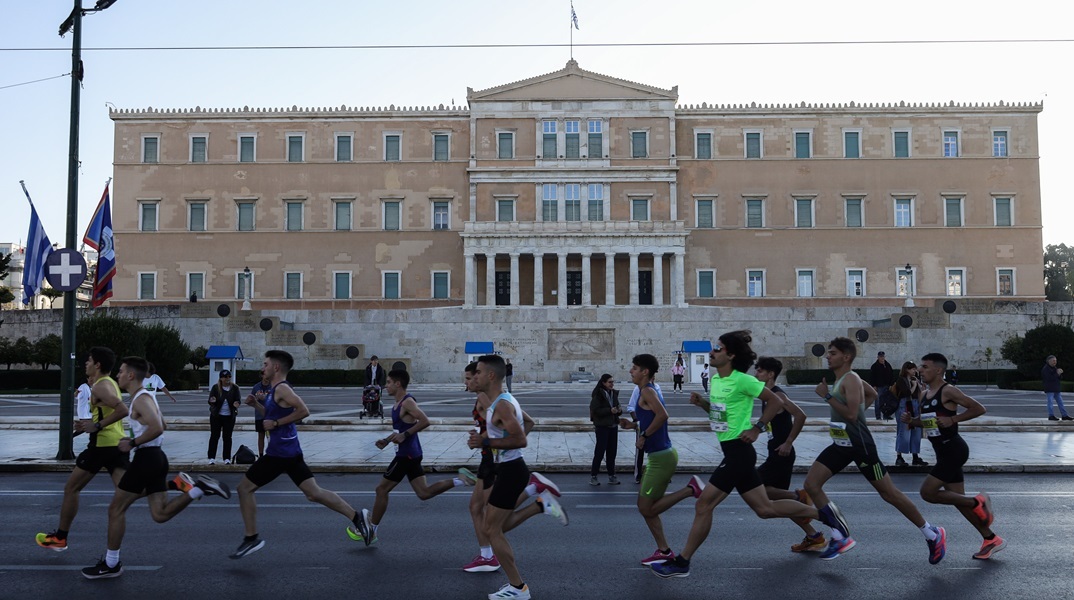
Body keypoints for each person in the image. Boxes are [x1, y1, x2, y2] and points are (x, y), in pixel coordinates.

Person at [652, 331, 829, 578]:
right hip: (733, 450)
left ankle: (682, 562)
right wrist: (703, 405)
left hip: (738, 452)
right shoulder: (716, 381)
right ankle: (825, 515)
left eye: (718, 348)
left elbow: (777, 402)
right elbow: (720, 416)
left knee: (704, 504)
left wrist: (757, 428)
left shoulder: (742, 380)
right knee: (765, 509)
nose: (712, 352)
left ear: (731, 355)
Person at [81, 356, 230, 579]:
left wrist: (132, 442)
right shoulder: (145, 398)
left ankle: (111, 564)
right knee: (159, 514)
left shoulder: (140, 399)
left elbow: (159, 427)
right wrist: (140, 434)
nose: (118, 375)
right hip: (156, 458)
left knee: (115, 509)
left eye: (121, 372)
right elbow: (164, 423)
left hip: (146, 459)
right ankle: (198, 488)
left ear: (131, 375)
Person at [804, 337, 947, 564]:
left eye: (832, 353)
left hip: (860, 446)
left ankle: (932, 532)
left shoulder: (850, 379)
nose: (827, 356)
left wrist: (827, 396)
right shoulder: (846, 379)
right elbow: (872, 394)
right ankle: (839, 534)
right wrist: (858, 413)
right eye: (828, 353)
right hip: (842, 444)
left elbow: (851, 414)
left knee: (889, 493)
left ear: (846, 357)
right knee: (811, 484)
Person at [231, 350, 366, 559]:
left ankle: (251, 538)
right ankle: (357, 517)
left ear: (276, 367)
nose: (262, 368)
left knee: (244, 489)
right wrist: (256, 405)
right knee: (314, 493)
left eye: (265, 364)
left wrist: (275, 423)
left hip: (279, 454)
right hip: (290, 451)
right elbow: (273, 415)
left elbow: (304, 410)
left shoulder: (282, 389)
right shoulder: (275, 389)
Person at [466, 354, 567, 600]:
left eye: (477, 372)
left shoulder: (501, 404)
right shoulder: (500, 401)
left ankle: (518, 587)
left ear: (490, 375)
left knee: (492, 529)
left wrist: (486, 441)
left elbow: (521, 438)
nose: (474, 376)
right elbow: (524, 427)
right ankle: (540, 502)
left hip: (511, 471)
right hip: (508, 469)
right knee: (498, 527)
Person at [350, 369, 477, 546]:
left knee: (381, 490)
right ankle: (461, 480)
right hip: (411, 453)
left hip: (406, 455)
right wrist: (387, 440)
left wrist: (405, 435)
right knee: (424, 493)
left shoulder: (407, 402)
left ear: (398, 384)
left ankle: (372, 530)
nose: (385, 386)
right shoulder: (398, 404)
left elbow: (425, 420)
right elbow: (400, 430)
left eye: (388, 383)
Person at [902, 352, 1004, 560]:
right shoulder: (924, 394)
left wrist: (954, 419)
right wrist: (913, 421)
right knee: (958, 500)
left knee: (928, 493)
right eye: (921, 367)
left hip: (954, 450)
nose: (920, 370)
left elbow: (978, 408)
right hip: (942, 452)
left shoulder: (948, 391)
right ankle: (991, 539)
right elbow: (930, 422)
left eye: (925, 366)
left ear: (938, 370)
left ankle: (977, 502)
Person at [36, 347, 130, 552]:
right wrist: (88, 423)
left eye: (88, 361)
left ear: (97, 365)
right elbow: (108, 412)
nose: (85, 364)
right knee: (129, 491)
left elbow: (123, 410)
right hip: (116, 444)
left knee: (71, 488)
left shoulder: (100, 387)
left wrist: (96, 426)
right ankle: (178, 486)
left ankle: (60, 538)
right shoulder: (109, 383)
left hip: (102, 446)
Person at [620, 354, 705, 567]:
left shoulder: (647, 390)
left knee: (646, 508)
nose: (631, 371)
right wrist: (633, 427)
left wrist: (644, 436)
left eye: (635, 368)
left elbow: (663, 415)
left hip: (661, 458)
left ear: (645, 371)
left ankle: (690, 489)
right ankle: (664, 550)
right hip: (660, 456)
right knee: (649, 508)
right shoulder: (647, 390)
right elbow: (652, 418)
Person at [752, 356, 826, 553]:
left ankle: (799, 495)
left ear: (770, 374)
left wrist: (788, 442)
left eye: (759, 371)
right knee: (782, 503)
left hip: (781, 453)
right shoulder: (768, 395)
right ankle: (814, 537)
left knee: (756, 487)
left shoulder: (779, 396)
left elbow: (801, 415)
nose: (755, 374)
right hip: (776, 451)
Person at [589, 374, 622, 485]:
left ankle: (611, 475)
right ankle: (594, 476)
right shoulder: (598, 394)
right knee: (599, 452)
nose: (612, 384)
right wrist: (609, 411)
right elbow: (595, 410)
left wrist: (619, 410)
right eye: (610, 382)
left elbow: (617, 405)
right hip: (602, 427)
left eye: (613, 382)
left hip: (613, 426)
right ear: (603, 383)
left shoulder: (613, 393)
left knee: (612, 452)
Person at [893, 362, 927, 467]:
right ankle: (899, 457)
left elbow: (920, 393)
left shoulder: (914, 380)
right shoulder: (901, 380)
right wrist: (915, 385)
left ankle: (915, 456)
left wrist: (919, 385)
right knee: (903, 432)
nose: (915, 371)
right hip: (904, 407)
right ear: (907, 369)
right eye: (913, 369)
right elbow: (907, 393)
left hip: (915, 406)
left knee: (916, 432)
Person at [207, 369, 242, 465]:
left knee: (227, 437)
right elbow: (210, 400)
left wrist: (236, 404)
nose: (228, 378)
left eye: (229, 376)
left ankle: (227, 458)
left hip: (229, 416)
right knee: (214, 436)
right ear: (221, 378)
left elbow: (238, 400)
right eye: (225, 377)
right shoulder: (215, 388)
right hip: (216, 416)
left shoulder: (235, 388)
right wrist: (212, 401)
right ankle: (211, 457)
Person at [246, 369, 272, 457]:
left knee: (271, 436)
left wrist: (265, 398)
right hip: (259, 415)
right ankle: (261, 455)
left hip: (270, 415)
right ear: (261, 376)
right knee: (261, 435)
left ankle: (272, 454)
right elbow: (251, 399)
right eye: (265, 375)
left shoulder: (273, 386)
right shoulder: (256, 387)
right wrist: (255, 399)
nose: (267, 377)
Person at [1043, 355, 1072, 421]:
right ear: (1049, 361)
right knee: (1050, 402)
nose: (1055, 362)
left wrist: (1059, 373)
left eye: (1055, 360)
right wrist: (1057, 374)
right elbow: (1049, 378)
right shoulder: (1046, 369)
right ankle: (1051, 415)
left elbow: (1058, 378)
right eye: (1053, 360)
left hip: (1056, 388)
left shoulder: (1054, 368)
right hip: (1050, 389)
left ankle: (1064, 415)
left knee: (1060, 402)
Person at [869, 351, 895, 420]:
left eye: (883, 356)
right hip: (879, 387)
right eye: (880, 356)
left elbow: (891, 375)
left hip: (887, 386)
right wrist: (874, 385)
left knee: (886, 402)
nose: (882, 358)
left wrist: (891, 384)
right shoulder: (874, 366)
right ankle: (878, 416)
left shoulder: (887, 365)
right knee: (878, 403)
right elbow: (872, 377)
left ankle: (886, 415)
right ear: (878, 357)